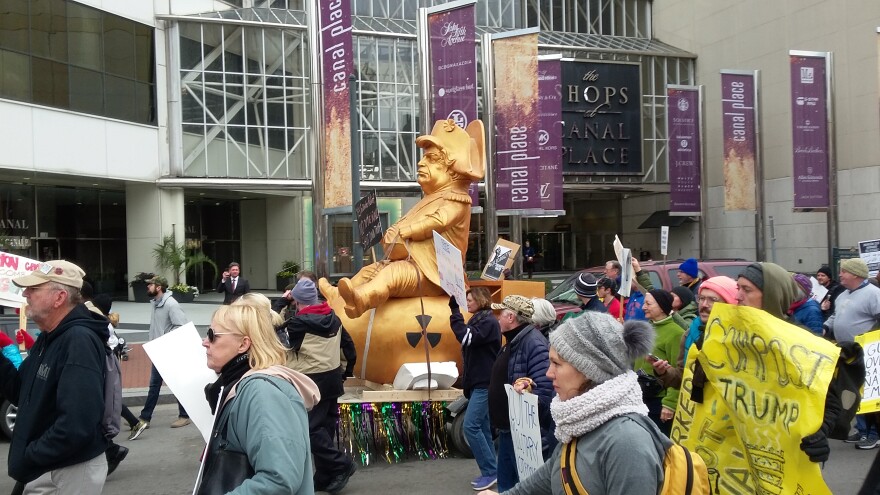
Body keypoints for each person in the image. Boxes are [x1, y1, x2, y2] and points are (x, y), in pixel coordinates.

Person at [478, 313, 665, 495]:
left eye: (556, 363)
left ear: (589, 369)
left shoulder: (628, 442)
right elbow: (554, 470)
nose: (548, 373)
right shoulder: (579, 418)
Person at [324, 119, 485, 318]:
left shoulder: (457, 200)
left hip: (433, 276)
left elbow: (439, 220)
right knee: (370, 271)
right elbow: (404, 224)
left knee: (392, 275)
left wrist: (411, 231)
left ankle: (362, 300)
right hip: (413, 264)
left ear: (452, 171)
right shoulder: (429, 199)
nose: (421, 163)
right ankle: (337, 296)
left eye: (432, 159)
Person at [0, 260, 110, 493]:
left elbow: (77, 424)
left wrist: (31, 456)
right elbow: (21, 391)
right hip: (49, 468)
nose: (26, 294)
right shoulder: (49, 337)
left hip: (66, 470)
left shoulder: (78, 340)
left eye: (34, 289)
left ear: (59, 298)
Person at [195, 303, 320, 494]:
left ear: (243, 344)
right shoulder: (243, 385)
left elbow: (279, 480)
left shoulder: (262, 393)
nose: (205, 341)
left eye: (212, 335)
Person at [284, 277, 358, 493]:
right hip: (333, 378)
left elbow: (277, 337)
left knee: (308, 430)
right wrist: (346, 371)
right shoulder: (334, 318)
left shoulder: (297, 323)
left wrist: (280, 304)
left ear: (297, 301)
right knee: (325, 428)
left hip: (309, 380)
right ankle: (326, 476)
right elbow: (349, 347)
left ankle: (341, 464)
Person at [487, 295, 555, 492]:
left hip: (520, 433)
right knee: (507, 486)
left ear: (511, 317)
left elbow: (543, 391)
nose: (498, 318)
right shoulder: (515, 340)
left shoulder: (533, 343)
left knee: (519, 487)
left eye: (501, 313)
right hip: (509, 429)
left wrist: (528, 388)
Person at [822, 258, 880, 449]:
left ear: (855, 274)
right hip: (846, 354)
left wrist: (867, 337)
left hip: (867, 353)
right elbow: (834, 316)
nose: (840, 275)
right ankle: (862, 431)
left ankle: (874, 434)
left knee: (869, 394)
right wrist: (825, 327)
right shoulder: (842, 294)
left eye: (843, 271)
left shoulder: (873, 294)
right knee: (853, 392)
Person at [448, 287, 501, 491]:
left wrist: (455, 312)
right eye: (466, 299)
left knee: (470, 426)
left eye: (470, 300)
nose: (467, 302)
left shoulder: (487, 322)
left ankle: (490, 471)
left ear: (480, 300)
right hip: (479, 383)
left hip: (484, 384)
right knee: (483, 429)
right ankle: (491, 470)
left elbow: (466, 338)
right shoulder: (481, 319)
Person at [130, 275, 191, 440]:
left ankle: (184, 416)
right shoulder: (156, 303)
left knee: (174, 384)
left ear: (159, 287)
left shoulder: (171, 304)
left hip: (168, 351)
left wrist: (164, 340)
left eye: (150, 285)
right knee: (155, 384)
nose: (147, 288)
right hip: (159, 350)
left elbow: (181, 326)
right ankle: (146, 417)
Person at [651, 276, 739, 390]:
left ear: (729, 303)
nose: (704, 305)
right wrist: (664, 372)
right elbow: (683, 378)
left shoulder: (739, 338)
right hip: (695, 406)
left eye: (713, 300)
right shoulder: (690, 333)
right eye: (701, 298)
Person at [636, 289, 683, 436]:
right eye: (644, 303)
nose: (644, 307)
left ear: (662, 307)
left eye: (648, 304)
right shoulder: (645, 328)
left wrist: (669, 403)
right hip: (640, 397)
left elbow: (678, 371)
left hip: (659, 401)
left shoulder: (676, 333)